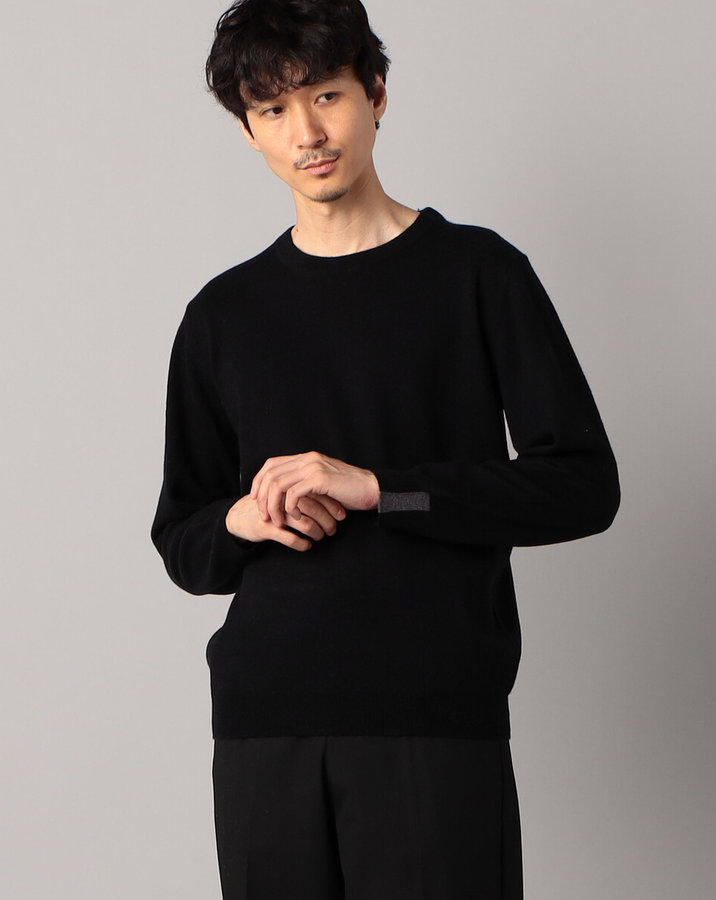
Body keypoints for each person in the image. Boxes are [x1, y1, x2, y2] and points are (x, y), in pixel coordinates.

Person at [150, 1, 621, 897]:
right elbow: (183, 541)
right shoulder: (222, 316)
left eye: (326, 95)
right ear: (249, 131)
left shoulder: (479, 274)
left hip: (431, 717)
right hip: (264, 723)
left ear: (375, 95)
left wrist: (380, 489)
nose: (306, 133)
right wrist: (244, 519)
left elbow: (583, 486)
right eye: (273, 110)